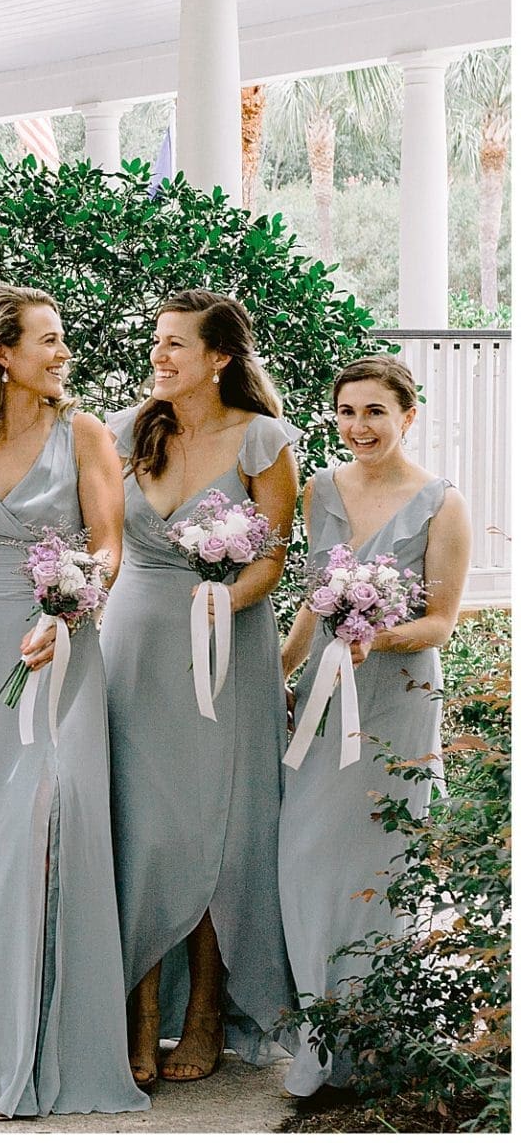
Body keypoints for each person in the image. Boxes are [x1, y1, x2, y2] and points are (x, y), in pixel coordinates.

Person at [0, 286, 146, 1119]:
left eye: (62, 340)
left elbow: (109, 542)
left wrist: (66, 609)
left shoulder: (82, 432)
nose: (61, 353)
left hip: (63, 638)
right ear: (1, 354)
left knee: (45, 819)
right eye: (46, 342)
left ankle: (46, 1048)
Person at [103, 293, 299, 1085]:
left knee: (219, 831)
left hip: (225, 647)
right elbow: (102, 538)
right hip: (135, 645)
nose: (159, 356)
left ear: (218, 357)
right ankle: (139, 1007)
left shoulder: (261, 440)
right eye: (155, 342)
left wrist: (223, 601)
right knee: (143, 828)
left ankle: (205, 1011)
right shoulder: (125, 429)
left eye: (174, 344)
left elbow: (273, 556)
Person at [278, 357, 468, 1100]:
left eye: (374, 412)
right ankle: (313, 1031)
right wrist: (280, 672)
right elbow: (308, 601)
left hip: (394, 696)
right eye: (346, 412)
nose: (358, 426)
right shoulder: (318, 488)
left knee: (378, 864)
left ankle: (372, 1038)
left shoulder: (439, 503)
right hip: (324, 697)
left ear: (407, 415)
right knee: (302, 853)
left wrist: (372, 637)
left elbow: (440, 623)